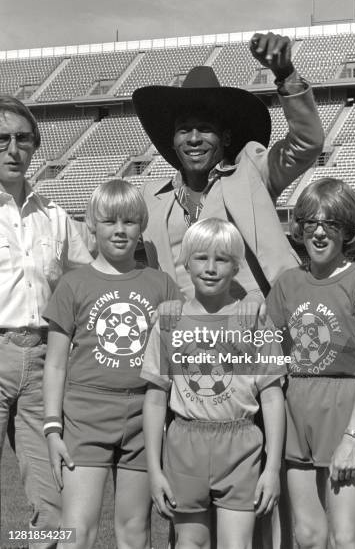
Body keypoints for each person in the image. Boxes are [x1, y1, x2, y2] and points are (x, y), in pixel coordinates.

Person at [133, 32, 324, 548]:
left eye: (205, 129)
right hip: (188, 369)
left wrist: (286, 77)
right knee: (188, 522)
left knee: (261, 515)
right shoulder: (149, 203)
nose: (194, 138)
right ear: (171, 142)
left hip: (256, 352)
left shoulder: (252, 173)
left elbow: (306, 143)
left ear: (223, 137)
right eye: (183, 130)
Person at [42, 180, 182, 549]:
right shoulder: (73, 284)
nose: (120, 230)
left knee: (135, 531)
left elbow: (179, 355)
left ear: (141, 226)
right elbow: (55, 364)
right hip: (85, 416)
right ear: (91, 224)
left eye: (130, 221)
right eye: (109, 221)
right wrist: (53, 428)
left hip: (144, 419)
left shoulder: (162, 285)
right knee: (77, 530)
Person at [265, 177, 355, 549]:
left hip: (343, 409)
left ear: (347, 230)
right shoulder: (287, 284)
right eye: (311, 223)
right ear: (300, 228)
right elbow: (267, 350)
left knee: (344, 536)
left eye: (332, 224)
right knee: (308, 536)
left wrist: (353, 437)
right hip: (294, 409)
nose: (319, 233)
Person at [141, 218, 286, 549]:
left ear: (236, 267)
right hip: (184, 444)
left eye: (221, 259)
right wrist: (154, 469)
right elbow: (155, 398)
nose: (210, 268)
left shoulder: (254, 322)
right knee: (190, 543)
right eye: (201, 258)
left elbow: (273, 397)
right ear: (186, 263)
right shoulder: (169, 321)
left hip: (241, 444)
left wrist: (272, 468)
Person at [0, 95, 92, 548]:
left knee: (49, 497)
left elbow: (89, 283)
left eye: (22, 139)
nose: (12, 149)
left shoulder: (55, 217)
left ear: (35, 147)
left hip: (43, 363)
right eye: (2, 139)